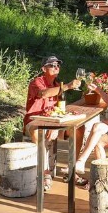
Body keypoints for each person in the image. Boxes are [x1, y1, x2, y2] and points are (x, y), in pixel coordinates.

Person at [25, 55, 82, 189]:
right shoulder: (37, 82)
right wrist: (67, 86)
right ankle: (45, 173)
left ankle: (71, 168)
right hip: (35, 121)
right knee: (37, 130)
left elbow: (59, 109)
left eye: (58, 65)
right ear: (43, 68)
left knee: (79, 129)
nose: (56, 67)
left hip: (53, 121)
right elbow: (44, 94)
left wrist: (55, 127)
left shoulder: (58, 84)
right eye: (52, 65)